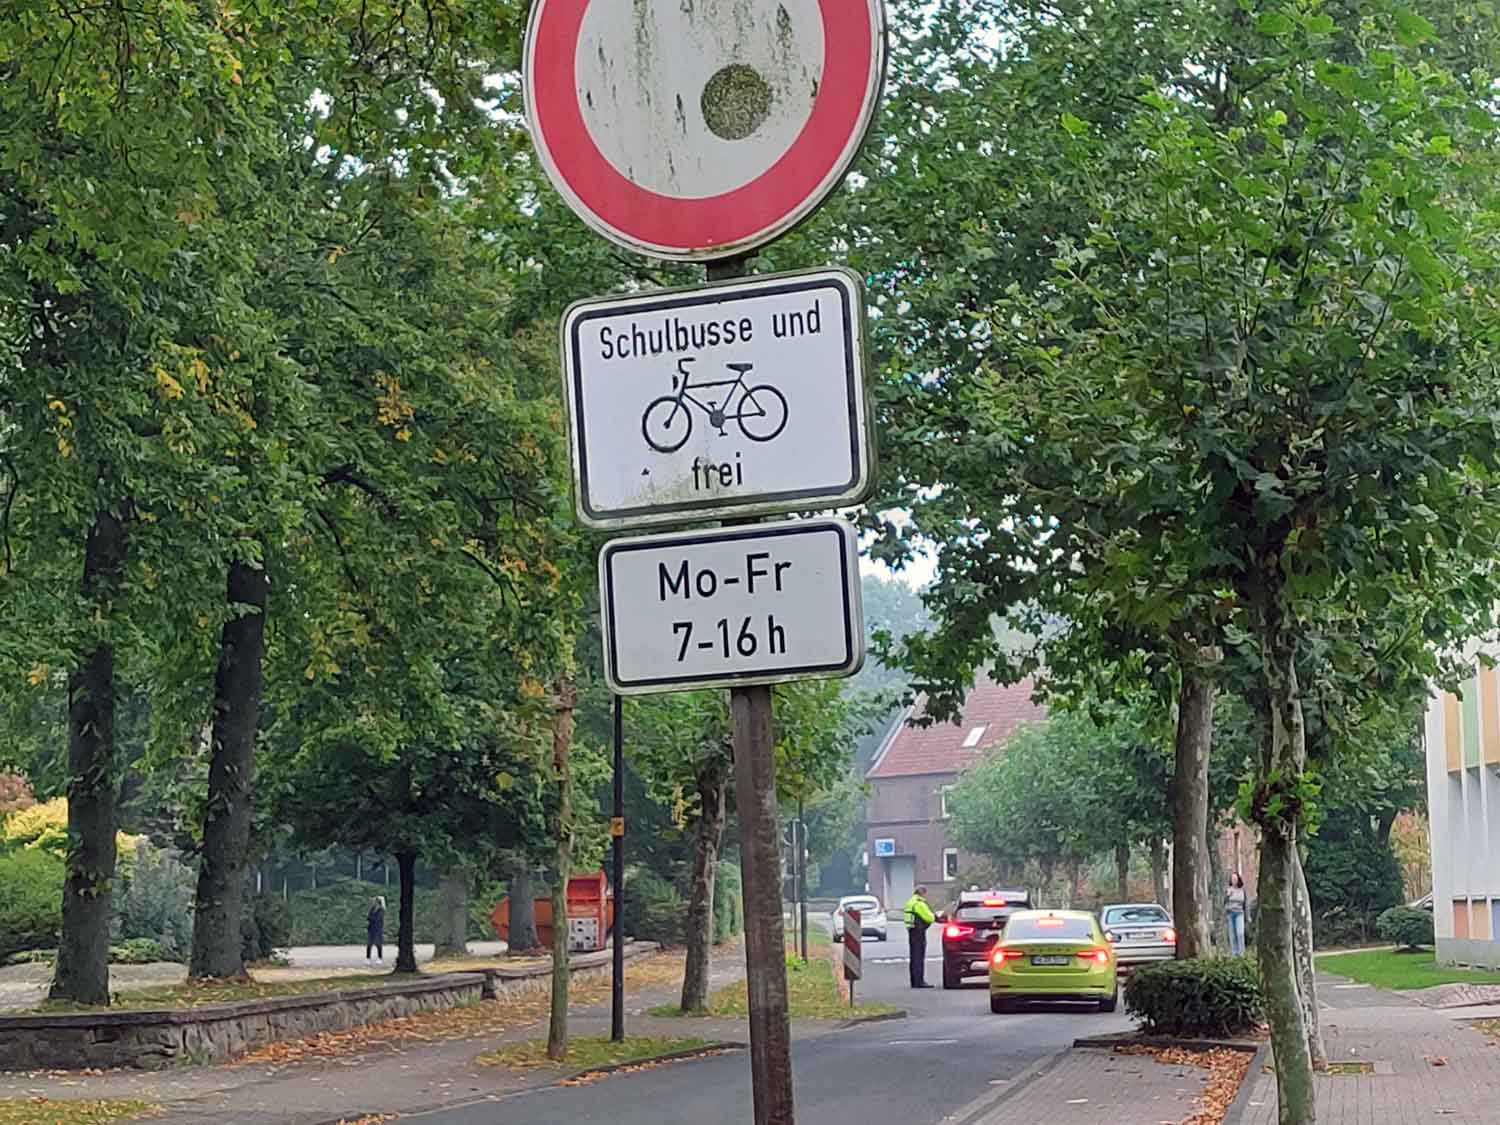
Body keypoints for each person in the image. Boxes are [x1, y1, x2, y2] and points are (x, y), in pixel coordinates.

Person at [902, 886, 936, 988]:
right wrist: (937, 917)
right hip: (918, 932)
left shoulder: (910, 901)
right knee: (919, 957)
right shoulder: (919, 903)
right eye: (925, 893)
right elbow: (929, 917)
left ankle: (914, 981)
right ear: (922, 893)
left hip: (912, 930)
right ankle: (919, 981)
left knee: (913, 957)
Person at [1225, 874, 1247, 956]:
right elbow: (1224, 902)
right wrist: (1227, 895)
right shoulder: (1228, 890)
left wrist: (1247, 916)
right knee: (1232, 935)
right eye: (1232, 879)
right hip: (1230, 914)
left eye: (1235, 879)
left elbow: (1246, 903)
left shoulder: (1242, 890)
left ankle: (1241, 954)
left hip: (1239, 913)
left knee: (1240, 933)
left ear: (1238, 879)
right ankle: (1234, 954)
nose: (1233, 880)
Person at [366, 896, 386, 963]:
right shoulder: (372, 909)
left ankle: (380, 958)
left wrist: (371, 918)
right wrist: (371, 917)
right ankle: (368, 958)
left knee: (378, 944)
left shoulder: (381, 910)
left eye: (375, 901)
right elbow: (368, 917)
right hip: (371, 929)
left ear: (378, 902)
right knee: (369, 944)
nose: (374, 902)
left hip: (378, 929)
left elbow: (377, 919)